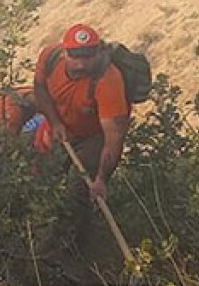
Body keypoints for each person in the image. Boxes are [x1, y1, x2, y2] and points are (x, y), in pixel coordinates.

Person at [30, 23, 131, 262]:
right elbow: (39, 89)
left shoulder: (109, 81)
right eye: (75, 56)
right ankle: (40, 245)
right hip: (60, 128)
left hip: (94, 137)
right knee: (40, 180)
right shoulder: (50, 57)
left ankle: (76, 250)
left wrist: (101, 179)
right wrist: (54, 122)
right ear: (64, 52)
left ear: (97, 53)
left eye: (87, 56)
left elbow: (113, 138)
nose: (81, 63)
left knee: (79, 188)